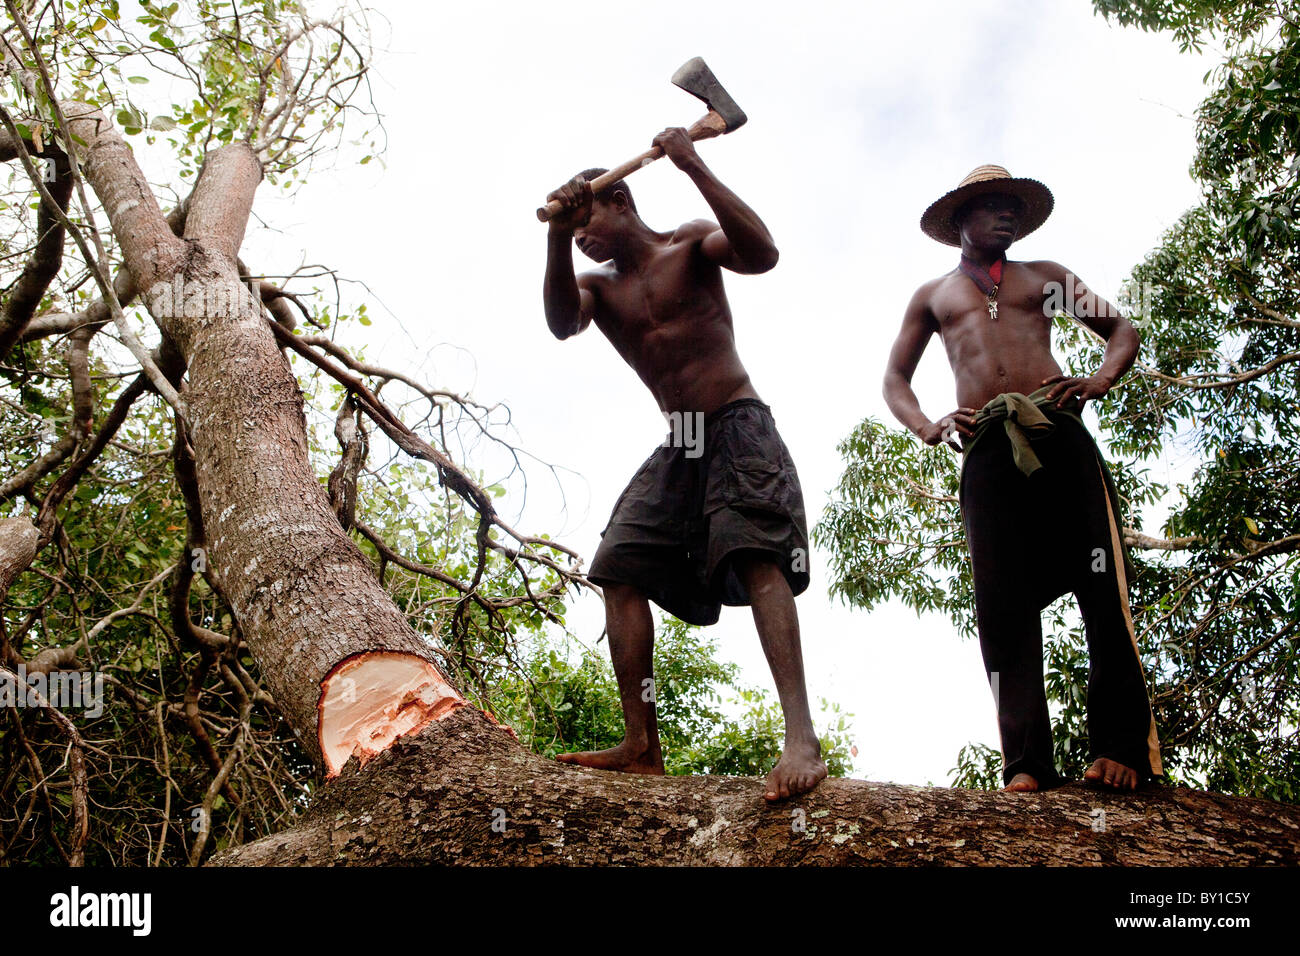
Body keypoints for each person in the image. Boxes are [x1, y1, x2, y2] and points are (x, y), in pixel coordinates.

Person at [542, 127, 826, 800]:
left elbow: (763, 254)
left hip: (737, 420)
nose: (581, 232)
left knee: (755, 553)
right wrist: (554, 235)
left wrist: (692, 161)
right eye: (572, 224)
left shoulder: (689, 244)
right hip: (683, 440)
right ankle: (642, 744)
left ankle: (800, 738)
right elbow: (559, 324)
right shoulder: (596, 289)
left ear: (621, 201)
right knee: (619, 564)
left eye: (586, 217)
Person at [882, 164, 1162, 792]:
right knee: (1002, 604)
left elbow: (1121, 327)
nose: (1006, 216)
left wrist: (1098, 381)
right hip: (985, 446)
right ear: (961, 221)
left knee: (1100, 581)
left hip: (1056, 431)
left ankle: (1120, 750)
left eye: (1013, 207)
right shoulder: (934, 295)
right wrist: (926, 426)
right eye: (991, 206)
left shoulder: (1046, 278)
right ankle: (1027, 763)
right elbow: (894, 380)